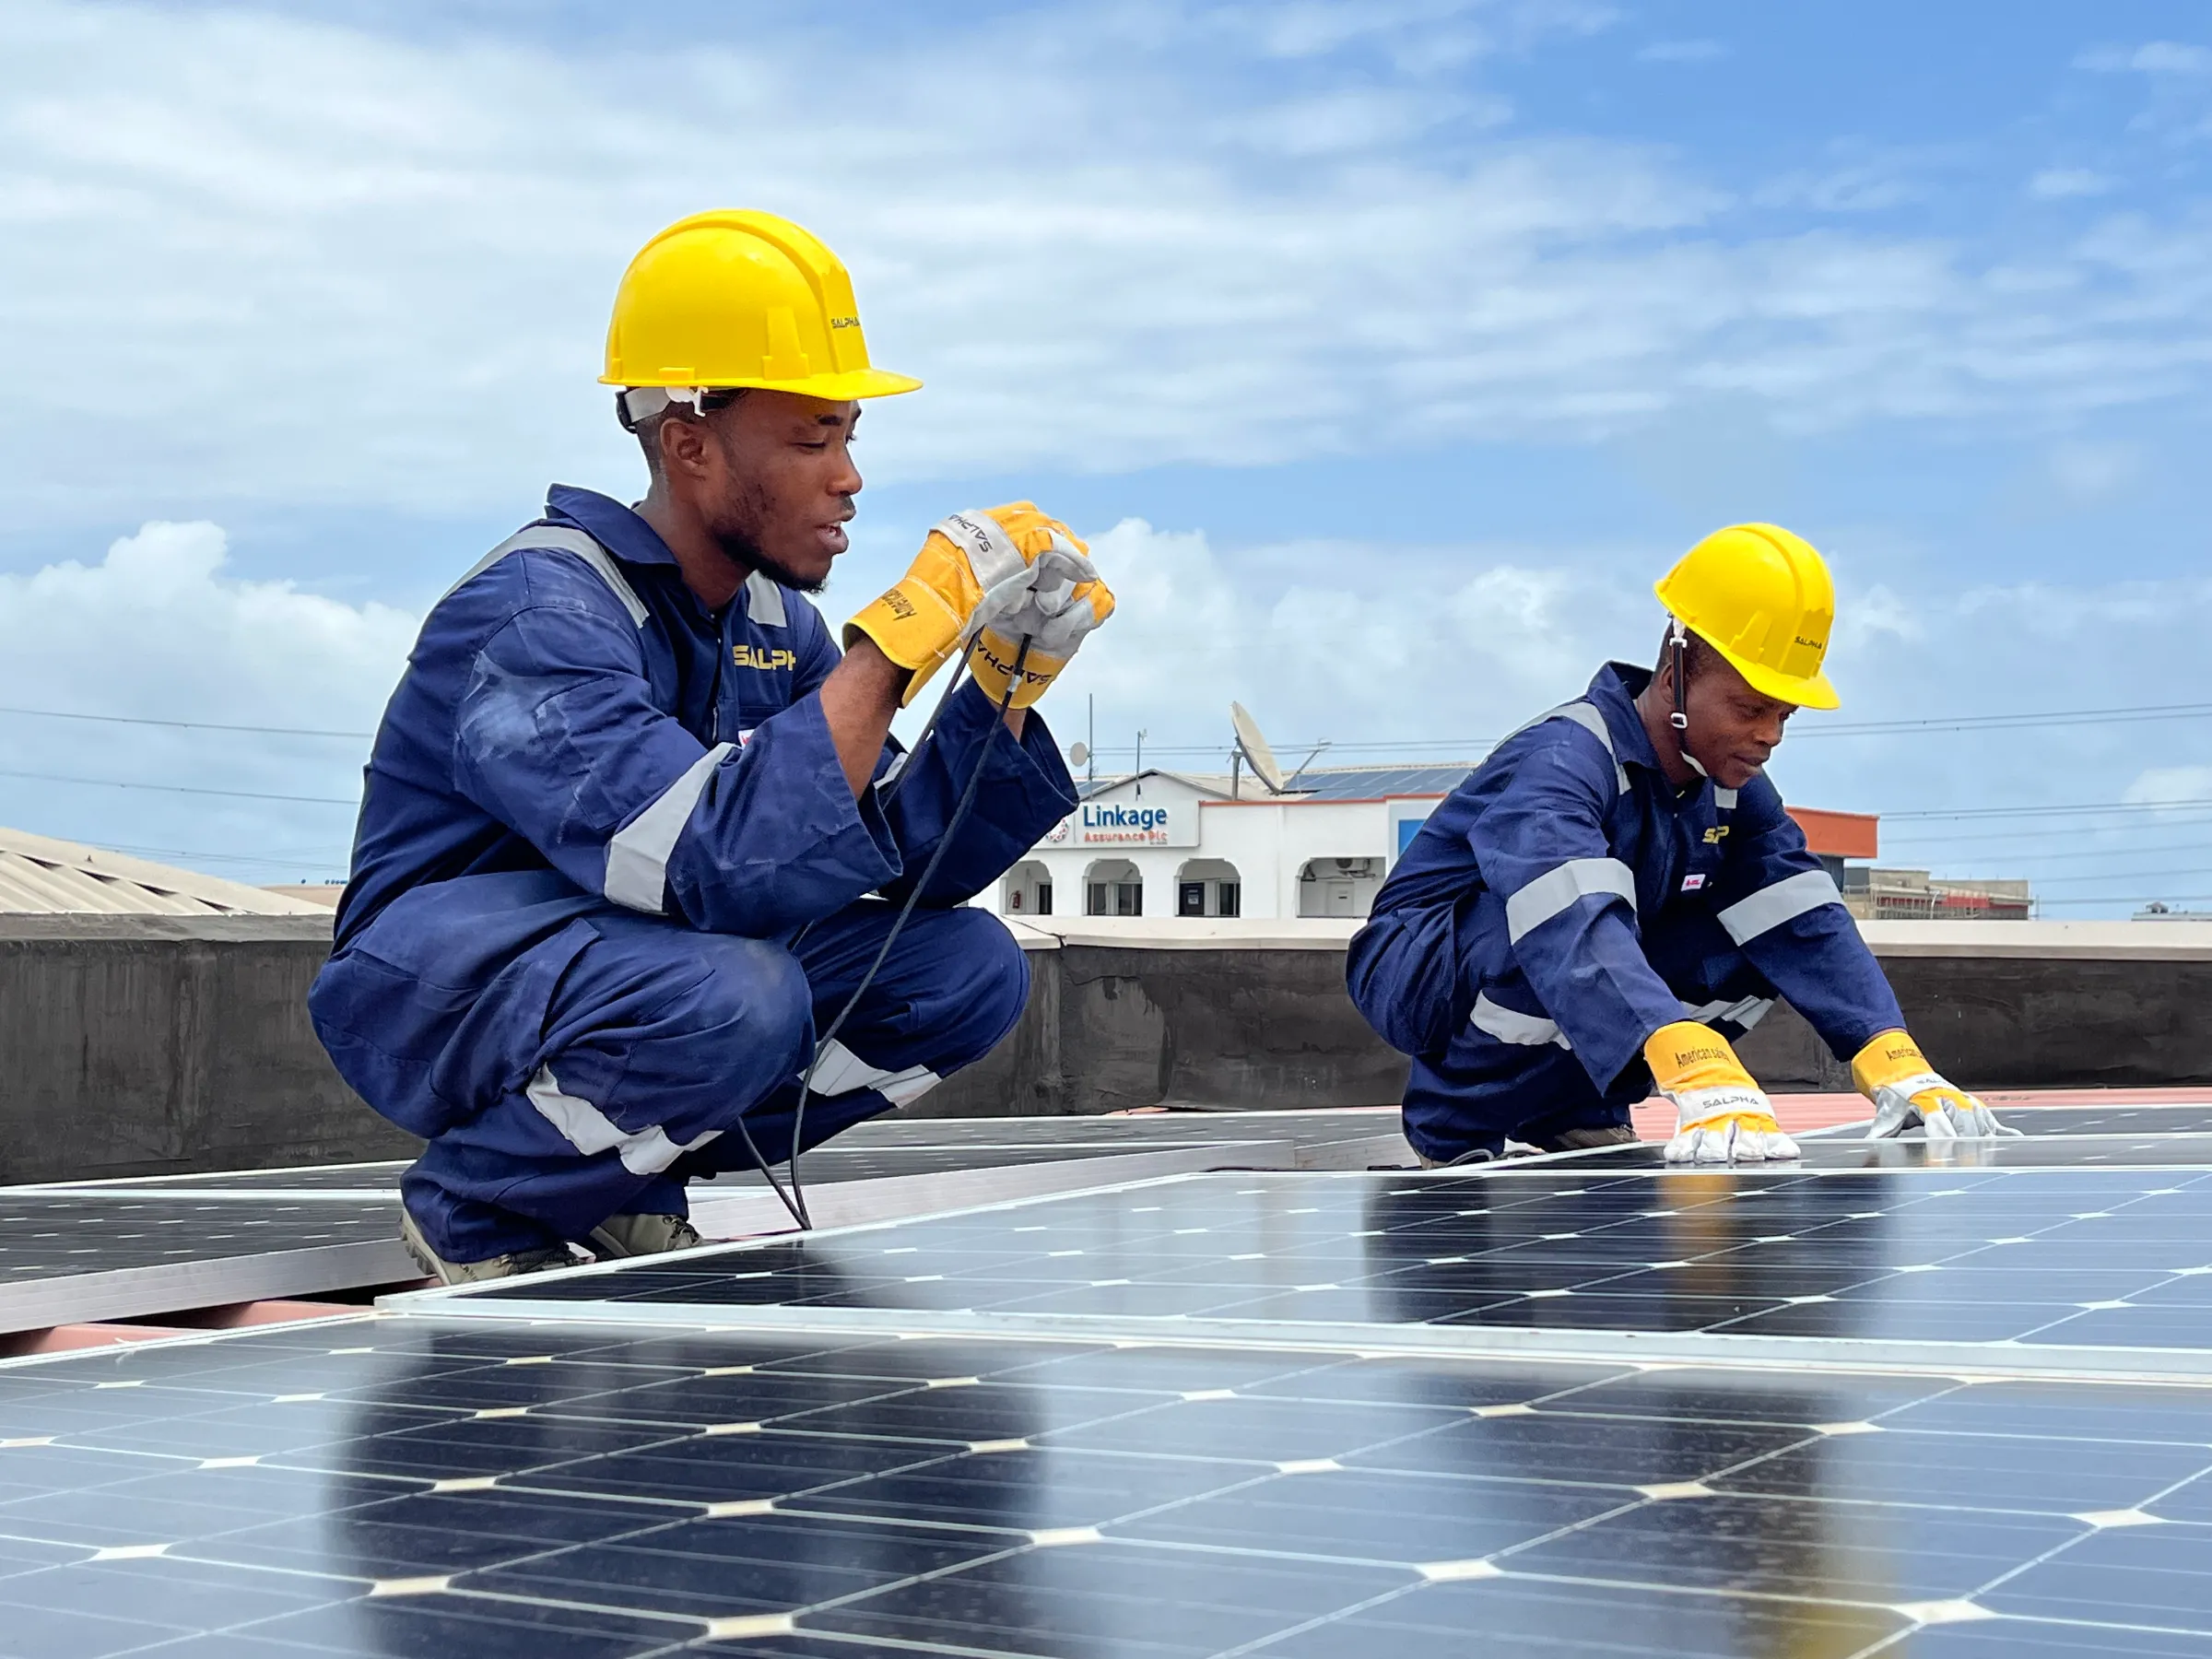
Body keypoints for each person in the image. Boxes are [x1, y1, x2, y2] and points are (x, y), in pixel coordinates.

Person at [310, 210, 1112, 1281]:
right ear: (689, 445)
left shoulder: (774, 623)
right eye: (811, 439)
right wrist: (900, 642)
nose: (849, 479)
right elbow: (697, 862)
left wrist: (1003, 687)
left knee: (962, 971)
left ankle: (612, 1187)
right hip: (437, 994)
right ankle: (483, 1206)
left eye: (849, 437)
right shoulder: (541, 610)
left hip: (636, 969)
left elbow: (902, 864)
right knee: (736, 992)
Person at [1347, 524, 2012, 1166]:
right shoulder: (1567, 757)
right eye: (1750, 708)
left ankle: (1572, 1109)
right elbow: (1568, 918)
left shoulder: (1726, 783)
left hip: (1553, 939)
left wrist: (1890, 1052)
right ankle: (1457, 1121)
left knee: (1752, 942)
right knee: (1557, 915)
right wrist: (1693, 1061)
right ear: (1676, 671)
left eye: (1784, 714)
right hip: (1425, 964)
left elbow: (1805, 920)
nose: (1770, 735)